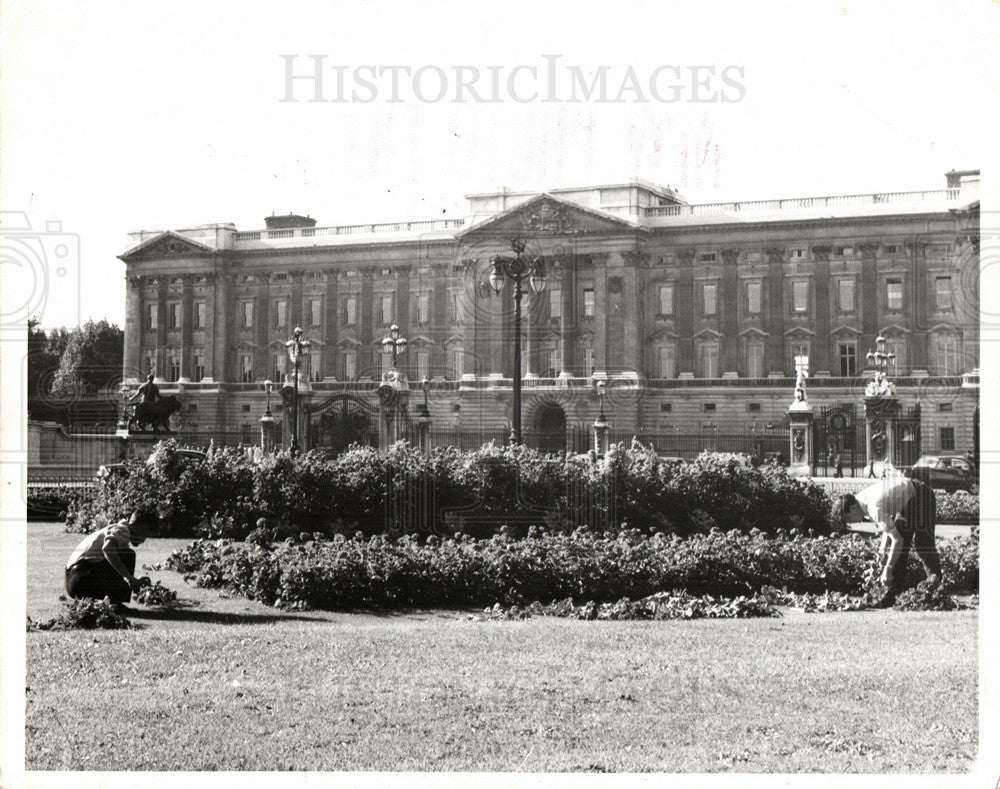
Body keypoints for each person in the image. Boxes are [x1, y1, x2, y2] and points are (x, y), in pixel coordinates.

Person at [830, 474, 941, 607]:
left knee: (922, 544)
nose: (851, 523)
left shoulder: (872, 507)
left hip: (922, 496)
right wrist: (882, 549)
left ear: (853, 509)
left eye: (848, 519)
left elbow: (896, 539)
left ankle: (935, 586)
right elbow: (887, 525)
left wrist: (887, 570)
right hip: (910, 498)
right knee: (900, 546)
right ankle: (893, 593)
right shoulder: (859, 499)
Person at [65, 509, 160, 604]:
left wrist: (135, 580)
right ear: (140, 527)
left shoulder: (120, 530)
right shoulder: (123, 531)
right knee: (128, 556)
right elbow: (107, 549)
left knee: (124, 556)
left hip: (73, 581)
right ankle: (116, 604)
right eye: (145, 534)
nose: (144, 540)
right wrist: (129, 578)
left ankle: (115, 602)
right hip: (79, 579)